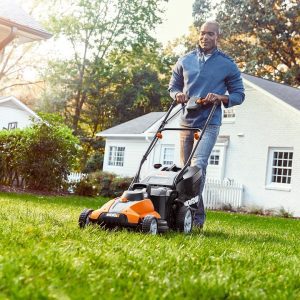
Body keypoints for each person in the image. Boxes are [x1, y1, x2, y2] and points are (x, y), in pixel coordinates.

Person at [168, 20, 245, 228]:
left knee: (197, 165)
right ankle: (185, 214)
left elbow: (239, 95)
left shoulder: (227, 64)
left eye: (210, 34)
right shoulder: (185, 60)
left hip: (210, 121)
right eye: (202, 33)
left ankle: (195, 219)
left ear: (217, 37)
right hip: (187, 121)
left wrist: (221, 97)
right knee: (186, 170)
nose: (205, 37)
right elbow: (173, 86)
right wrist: (178, 94)